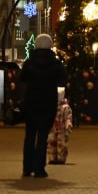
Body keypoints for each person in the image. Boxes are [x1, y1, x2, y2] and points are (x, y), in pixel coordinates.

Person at [20, 33, 66, 178]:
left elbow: (22, 79)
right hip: (48, 103)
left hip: (31, 102)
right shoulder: (55, 63)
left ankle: (27, 168)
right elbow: (63, 80)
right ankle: (39, 168)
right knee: (43, 136)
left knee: (29, 136)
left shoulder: (29, 63)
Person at [47, 88, 74, 165]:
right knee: (51, 142)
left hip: (62, 128)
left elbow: (68, 116)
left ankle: (61, 158)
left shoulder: (65, 107)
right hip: (52, 128)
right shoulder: (51, 106)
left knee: (61, 144)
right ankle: (52, 158)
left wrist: (68, 123)